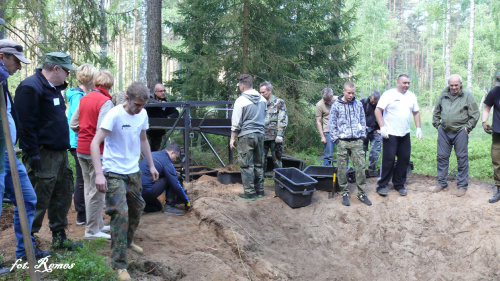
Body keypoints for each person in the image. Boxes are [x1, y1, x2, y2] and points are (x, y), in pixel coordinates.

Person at [91, 82, 159, 281]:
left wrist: (152, 165)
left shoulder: (143, 114)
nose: (139, 109)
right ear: (127, 98)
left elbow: (143, 139)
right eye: (137, 104)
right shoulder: (113, 115)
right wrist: (98, 174)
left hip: (133, 172)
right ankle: (119, 265)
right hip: (113, 172)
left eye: (143, 105)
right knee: (120, 214)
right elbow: (95, 143)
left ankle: (128, 241)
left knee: (137, 208)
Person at [14, 52, 80, 249]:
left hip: (59, 154)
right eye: (67, 71)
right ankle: (28, 244)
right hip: (42, 154)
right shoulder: (30, 87)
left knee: (62, 195)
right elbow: (25, 125)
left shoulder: (52, 89)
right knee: (38, 198)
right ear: (56, 69)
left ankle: (59, 237)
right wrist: (33, 153)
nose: (68, 76)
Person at [0, 40, 51, 274]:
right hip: (1, 155)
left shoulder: (3, 84)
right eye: (16, 61)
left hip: (10, 156)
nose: (19, 67)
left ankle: (25, 251)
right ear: (2, 57)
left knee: (29, 199)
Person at [71, 70, 115, 240]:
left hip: (81, 149)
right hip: (97, 152)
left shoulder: (84, 98)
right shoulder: (105, 102)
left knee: (90, 189)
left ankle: (96, 225)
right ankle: (91, 231)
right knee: (97, 192)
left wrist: (84, 131)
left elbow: (74, 123)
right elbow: (101, 131)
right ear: (109, 85)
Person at [432, 74, 479, 197]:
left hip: (460, 131)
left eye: (456, 85)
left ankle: (462, 185)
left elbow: (475, 114)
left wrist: (467, 128)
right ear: (449, 85)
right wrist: (437, 125)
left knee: (462, 158)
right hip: (444, 131)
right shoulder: (444, 95)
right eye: (451, 85)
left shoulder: (467, 95)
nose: (453, 88)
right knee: (441, 157)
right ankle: (442, 183)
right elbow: (436, 111)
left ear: (460, 84)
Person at [375, 74, 422, 197]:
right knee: (388, 159)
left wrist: (418, 128)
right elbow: (378, 110)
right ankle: (382, 185)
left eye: (408, 83)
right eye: (404, 83)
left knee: (404, 160)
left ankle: (399, 184)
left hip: (404, 133)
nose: (406, 85)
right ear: (398, 83)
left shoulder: (411, 96)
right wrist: (382, 127)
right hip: (390, 133)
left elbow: (416, 112)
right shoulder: (389, 94)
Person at [329, 81, 371, 206]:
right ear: (343, 91)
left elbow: (363, 120)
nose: (351, 95)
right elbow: (331, 124)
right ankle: (344, 192)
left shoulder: (358, 104)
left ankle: (362, 193)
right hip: (342, 141)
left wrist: (363, 136)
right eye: (349, 93)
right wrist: (336, 139)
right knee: (342, 168)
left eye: (353, 93)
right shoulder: (336, 106)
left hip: (357, 140)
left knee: (361, 167)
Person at [67, 63, 97, 226]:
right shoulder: (78, 97)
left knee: (86, 178)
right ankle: (82, 214)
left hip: (82, 141)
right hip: (78, 142)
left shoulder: (83, 95)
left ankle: (87, 211)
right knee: (82, 179)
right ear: (89, 79)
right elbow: (76, 121)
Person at [230, 74, 267, 201]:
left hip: (246, 136)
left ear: (242, 86)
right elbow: (265, 117)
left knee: (246, 165)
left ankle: (250, 193)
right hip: (260, 135)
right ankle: (260, 190)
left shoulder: (240, 101)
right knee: (258, 163)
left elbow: (236, 122)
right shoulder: (262, 99)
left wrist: (232, 138)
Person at [140, 143, 190, 215]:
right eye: (176, 157)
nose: (175, 160)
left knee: (158, 207)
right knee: (173, 178)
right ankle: (170, 206)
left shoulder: (152, 154)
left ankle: (139, 207)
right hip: (147, 191)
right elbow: (175, 183)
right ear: (172, 153)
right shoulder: (166, 162)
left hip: (138, 192)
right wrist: (186, 200)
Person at [259, 81, 288, 170]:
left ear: (270, 90)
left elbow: (282, 119)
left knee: (277, 160)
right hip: (262, 136)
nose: (262, 94)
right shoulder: (259, 103)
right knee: (261, 161)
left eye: (264, 92)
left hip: (275, 138)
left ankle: (280, 181)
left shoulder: (279, 102)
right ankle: (260, 182)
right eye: (260, 92)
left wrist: (280, 134)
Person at [482, 72, 500, 203]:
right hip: (498, 133)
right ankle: (499, 191)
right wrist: (484, 121)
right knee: (497, 161)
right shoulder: (495, 92)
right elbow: (487, 108)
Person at [146, 83, 180, 151]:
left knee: (157, 152)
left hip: (159, 133)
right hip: (148, 132)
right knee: (147, 153)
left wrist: (169, 117)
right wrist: (160, 103)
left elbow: (175, 112)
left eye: (164, 91)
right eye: (161, 91)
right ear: (155, 92)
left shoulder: (165, 102)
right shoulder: (150, 99)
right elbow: (149, 102)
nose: (163, 93)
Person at [361, 91, 382, 177]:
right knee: (362, 151)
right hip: (363, 130)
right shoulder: (363, 103)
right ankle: (361, 170)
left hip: (375, 130)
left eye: (375, 102)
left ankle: (371, 169)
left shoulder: (381, 105)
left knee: (374, 152)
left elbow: (384, 117)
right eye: (373, 101)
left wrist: (380, 128)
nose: (374, 103)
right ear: (370, 97)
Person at [316, 88, 337, 166]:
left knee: (343, 154)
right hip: (328, 131)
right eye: (326, 100)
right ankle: (327, 173)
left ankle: (344, 173)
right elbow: (318, 121)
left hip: (340, 130)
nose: (328, 102)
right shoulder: (319, 105)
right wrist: (322, 136)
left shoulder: (338, 100)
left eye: (329, 100)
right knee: (328, 155)